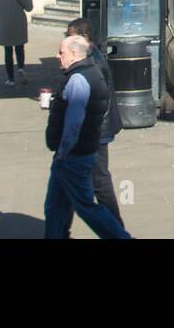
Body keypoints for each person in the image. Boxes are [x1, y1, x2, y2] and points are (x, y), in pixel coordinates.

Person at [44, 35, 131, 239]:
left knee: (86, 207)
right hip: (75, 153)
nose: (57, 56)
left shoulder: (78, 79)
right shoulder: (89, 71)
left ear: (74, 54)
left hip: (73, 155)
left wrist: (64, 152)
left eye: (61, 52)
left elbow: (74, 122)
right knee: (55, 206)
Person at [64, 17, 125, 235]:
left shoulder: (92, 63)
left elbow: (93, 100)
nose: (66, 39)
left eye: (69, 35)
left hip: (95, 131)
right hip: (94, 131)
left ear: (84, 37)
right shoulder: (88, 57)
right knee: (75, 183)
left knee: (98, 182)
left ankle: (117, 230)